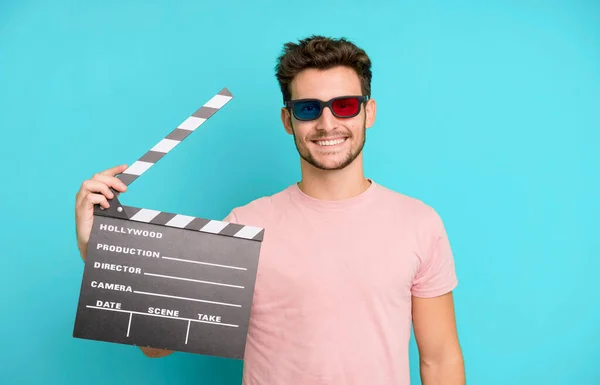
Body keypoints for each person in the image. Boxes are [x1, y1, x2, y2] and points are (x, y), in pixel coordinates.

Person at [75, 35, 465, 385]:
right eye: (309, 108)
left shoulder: (418, 223)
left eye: (344, 106)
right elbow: (157, 346)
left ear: (369, 112)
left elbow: (441, 360)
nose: (327, 123)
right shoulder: (246, 225)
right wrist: (100, 254)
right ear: (288, 120)